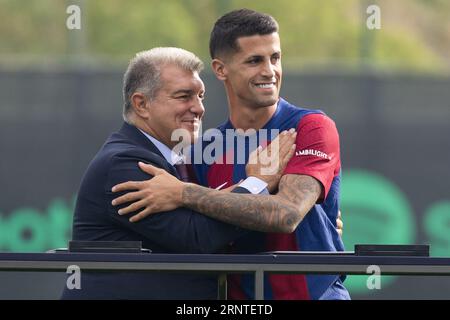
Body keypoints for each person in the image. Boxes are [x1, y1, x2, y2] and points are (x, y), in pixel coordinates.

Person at [112, 9, 349, 300]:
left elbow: (287, 215)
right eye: (254, 61)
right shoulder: (201, 152)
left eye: (275, 58)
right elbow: (196, 236)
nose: (269, 71)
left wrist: (185, 193)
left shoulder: (311, 127)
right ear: (220, 69)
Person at [62, 47, 298, 300]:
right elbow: (199, 236)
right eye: (184, 96)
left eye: (201, 96)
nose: (198, 108)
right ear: (141, 104)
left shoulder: (175, 161)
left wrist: (312, 220)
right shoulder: (125, 164)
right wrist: (258, 181)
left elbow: (205, 212)